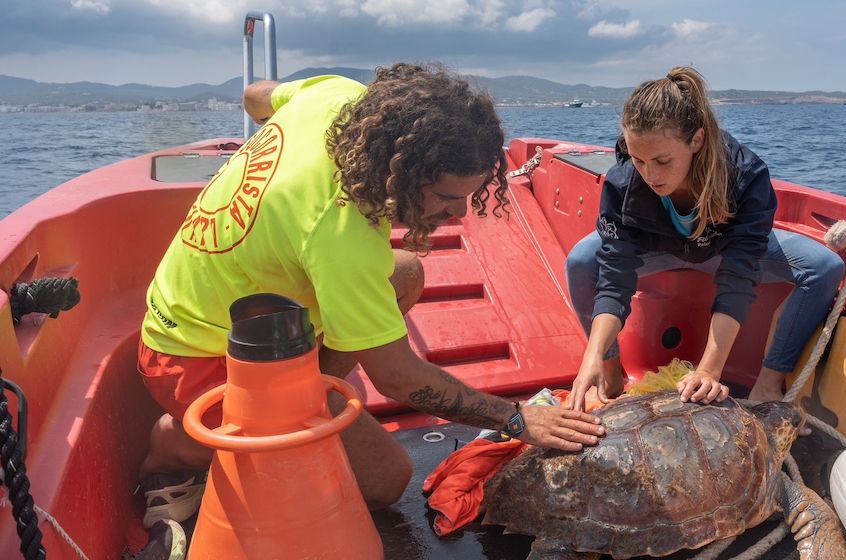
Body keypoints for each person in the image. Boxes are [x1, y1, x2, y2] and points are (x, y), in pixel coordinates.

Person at [136, 63, 604, 533]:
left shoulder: (340, 99)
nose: (460, 211)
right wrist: (516, 418)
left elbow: (257, 96)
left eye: (469, 194)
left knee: (404, 272)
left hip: (233, 311)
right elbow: (397, 378)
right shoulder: (343, 234)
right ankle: (183, 443)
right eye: (444, 196)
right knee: (384, 482)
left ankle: (298, 402)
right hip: (198, 358)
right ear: (397, 173)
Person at [566, 66, 845, 412]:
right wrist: (591, 356)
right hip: (658, 249)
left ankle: (769, 382)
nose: (650, 175)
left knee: (823, 267)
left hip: (720, 250)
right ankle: (609, 376)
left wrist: (709, 370)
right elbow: (614, 280)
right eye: (638, 160)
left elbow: (739, 277)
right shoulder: (622, 182)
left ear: (696, 140)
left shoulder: (745, 176)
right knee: (582, 260)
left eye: (662, 161)